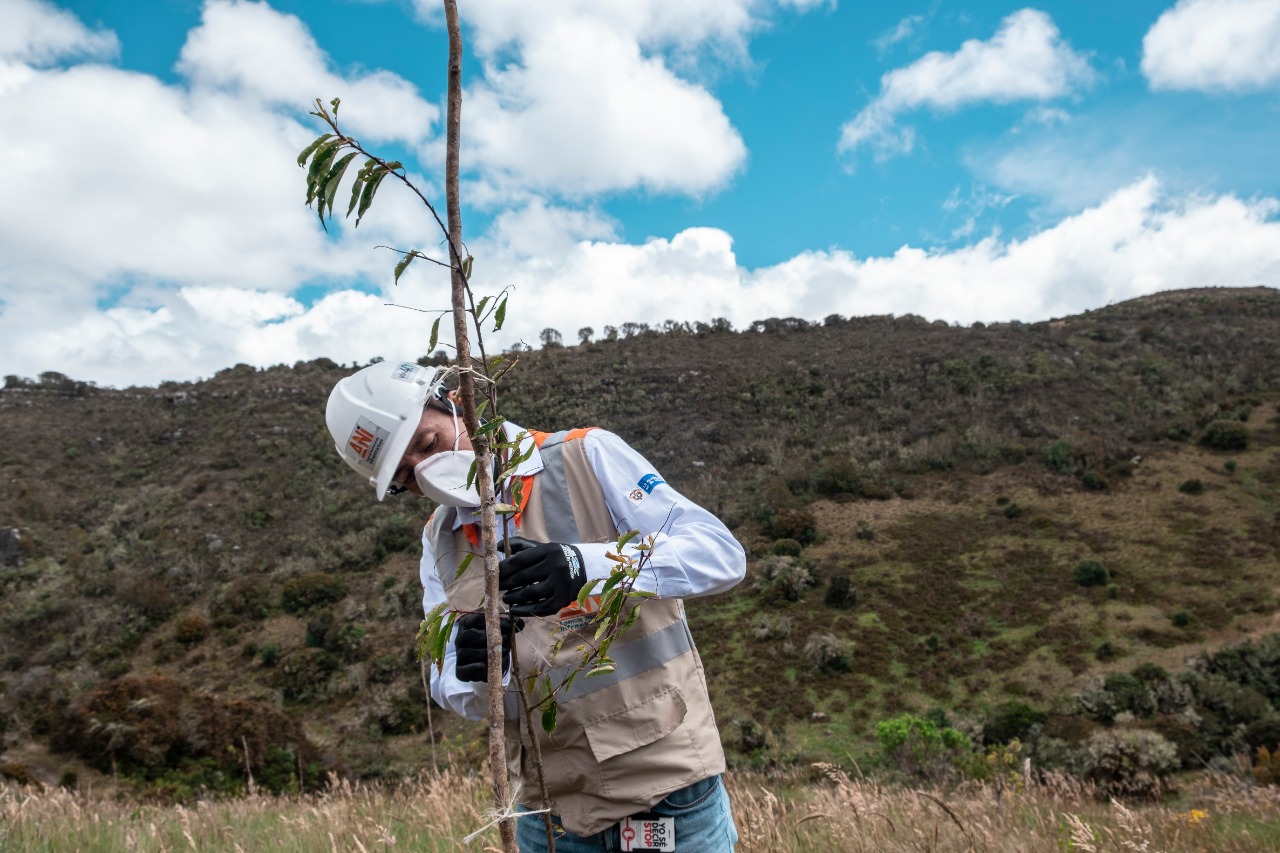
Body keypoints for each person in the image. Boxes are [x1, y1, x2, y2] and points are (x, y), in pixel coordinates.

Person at [326, 359, 746, 852]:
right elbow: (452, 687)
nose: (431, 474)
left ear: (454, 401)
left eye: (429, 444)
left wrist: (587, 565)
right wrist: (474, 668)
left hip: (664, 793)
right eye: (407, 478)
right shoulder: (438, 542)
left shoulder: (585, 456)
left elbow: (720, 555)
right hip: (549, 813)